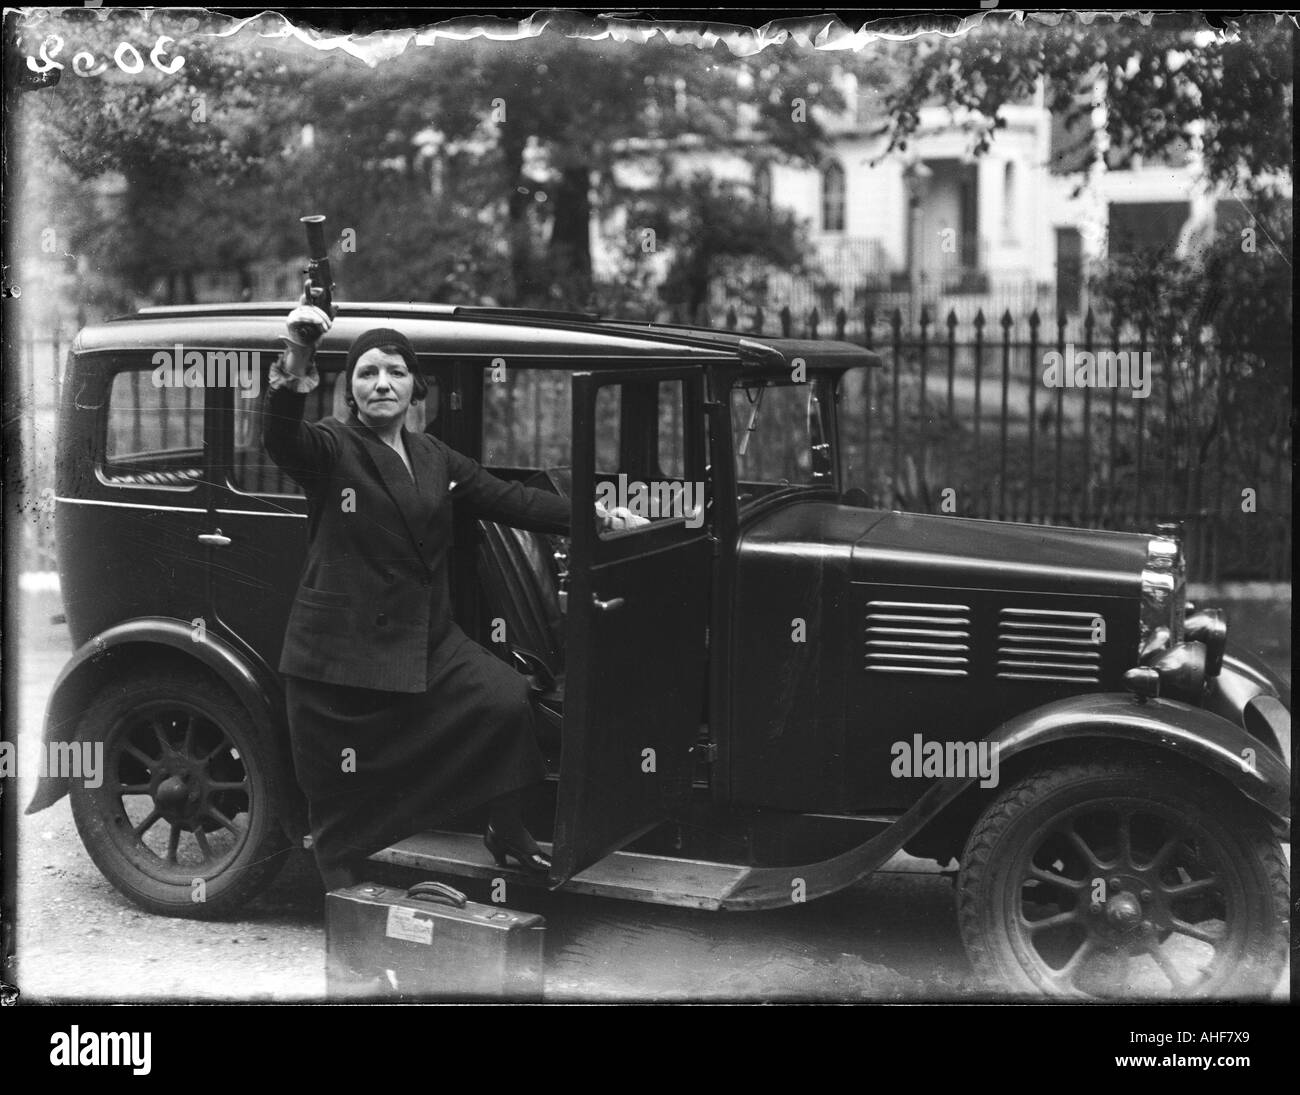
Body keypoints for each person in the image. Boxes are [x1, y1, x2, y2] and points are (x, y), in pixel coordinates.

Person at [263, 296, 644, 889]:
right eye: (367, 373)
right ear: (349, 391)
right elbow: (281, 438)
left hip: (427, 638)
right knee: (344, 781)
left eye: (396, 372)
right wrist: (300, 350)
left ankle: (507, 828)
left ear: (416, 389)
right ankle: (341, 877)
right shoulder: (332, 448)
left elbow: (509, 499)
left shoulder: (432, 453)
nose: (382, 384)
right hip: (344, 651)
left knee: (506, 697)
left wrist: (594, 517)